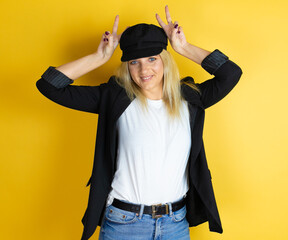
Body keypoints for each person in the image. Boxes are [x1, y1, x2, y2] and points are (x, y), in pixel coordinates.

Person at [36, 5, 242, 240]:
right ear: (127, 66)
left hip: (175, 222)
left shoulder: (190, 98)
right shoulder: (114, 98)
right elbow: (49, 86)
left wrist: (183, 48)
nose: (144, 69)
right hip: (125, 224)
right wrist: (100, 57)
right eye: (134, 62)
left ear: (165, 59)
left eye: (152, 59)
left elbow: (231, 73)